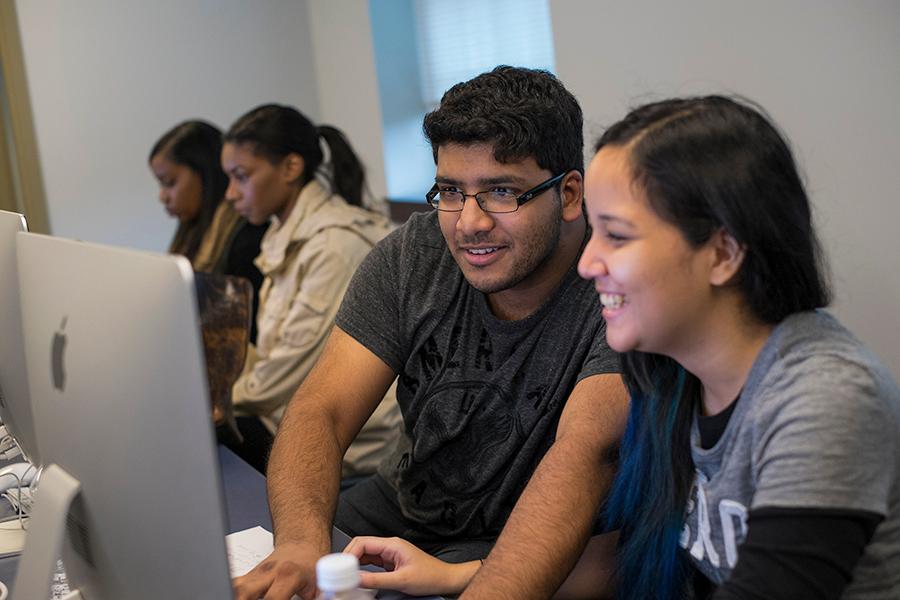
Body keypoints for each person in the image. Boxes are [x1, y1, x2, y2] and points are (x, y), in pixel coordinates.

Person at [233, 66, 629, 600]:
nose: (469, 222)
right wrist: (302, 544)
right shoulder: (413, 255)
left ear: (571, 194)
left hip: (509, 544)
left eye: (501, 192)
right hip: (397, 507)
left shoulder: (614, 284)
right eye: (449, 191)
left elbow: (583, 455)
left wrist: (461, 575)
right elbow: (321, 410)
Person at [577, 96, 900, 599]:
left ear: (723, 253)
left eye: (616, 236)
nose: (587, 262)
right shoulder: (671, 373)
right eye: (592, 232)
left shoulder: (828, 398)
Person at [221, 104, 401, 476]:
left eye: (241, 176)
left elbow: (278, 380)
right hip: (293, 415)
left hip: (353, 449)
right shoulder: (284, 235)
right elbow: (270, 358)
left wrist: (212, 399)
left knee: (208, 431)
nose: (230, 193)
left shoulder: (332, 247)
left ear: (290, 167)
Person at [149, 120, 266, 343]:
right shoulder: (192, 234)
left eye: (169, 182)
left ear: (205, 173)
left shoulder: (248, 239)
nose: (162, 196)